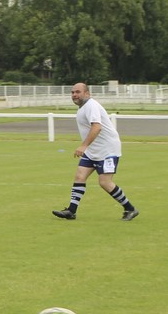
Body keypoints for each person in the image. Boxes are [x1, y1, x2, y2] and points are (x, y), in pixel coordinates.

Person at [53, 83, 139, 221]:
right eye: (73, 92)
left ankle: (130, 209)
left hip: (107, 150)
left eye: (78, 92)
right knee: (80, 176)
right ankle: (71, 211)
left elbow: (97, 127)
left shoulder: (91, 105)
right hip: (93, 150)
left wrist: (83, 146)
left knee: (104, 182)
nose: (74, 95)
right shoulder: (83, 107)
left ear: (87, 93)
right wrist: (87, 147)